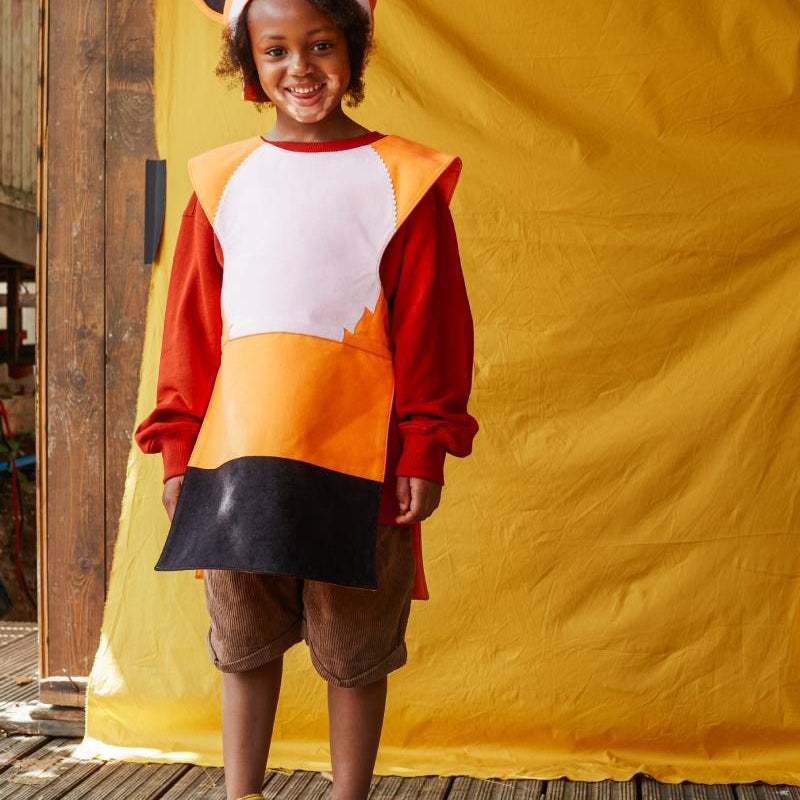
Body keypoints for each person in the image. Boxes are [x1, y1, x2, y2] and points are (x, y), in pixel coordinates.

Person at [134, 0, 478, 798]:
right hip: (238, 462)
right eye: (277, 50)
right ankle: (241, 793)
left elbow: (435, 329)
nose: (301, 67)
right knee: (245, 645)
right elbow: (190, 332)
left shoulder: (403, 180)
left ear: (353, 49)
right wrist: (179, 449)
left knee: (355, 654)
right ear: (248, 63)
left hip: (364, 461)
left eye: (320, 45)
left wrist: (425, 444)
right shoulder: (221, 182)